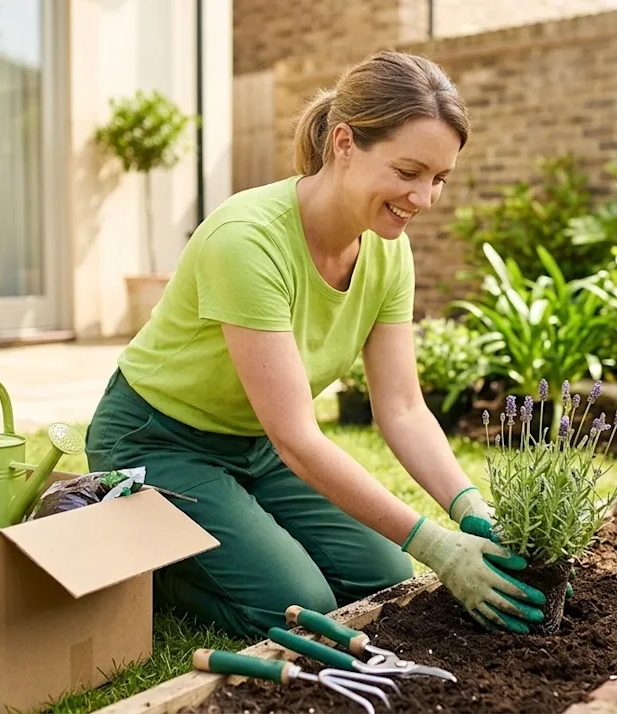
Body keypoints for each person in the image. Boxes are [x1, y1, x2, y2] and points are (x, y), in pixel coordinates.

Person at [85, 49, 550, 641]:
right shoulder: (247, 240)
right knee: (298, 603)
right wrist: (436, 545)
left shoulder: (388, 250)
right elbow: (298, 438)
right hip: (157, 438)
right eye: (408, 172)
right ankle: (144, 563)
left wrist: (468, 507)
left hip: (257, 445)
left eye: (439, 179)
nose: (424, 198)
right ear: (344, 143)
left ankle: (221, 528)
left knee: (382, 577)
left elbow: (403, 407)